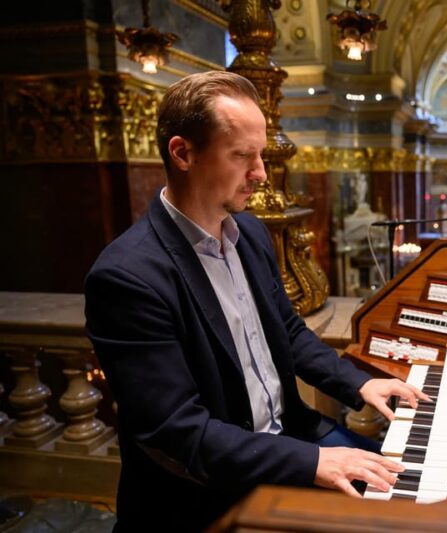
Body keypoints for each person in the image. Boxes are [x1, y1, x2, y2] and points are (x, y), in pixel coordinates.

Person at [84, 71, 426, 531]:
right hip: (207, 491)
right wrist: (312, 464)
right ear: (184, 153)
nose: (261, 173)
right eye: (242, 156)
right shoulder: (127, 278)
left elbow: (286, 330)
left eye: (260, 154)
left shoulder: (253, 235)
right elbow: (179, 432)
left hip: (291, 435)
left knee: (419, 495)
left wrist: (357, 384)